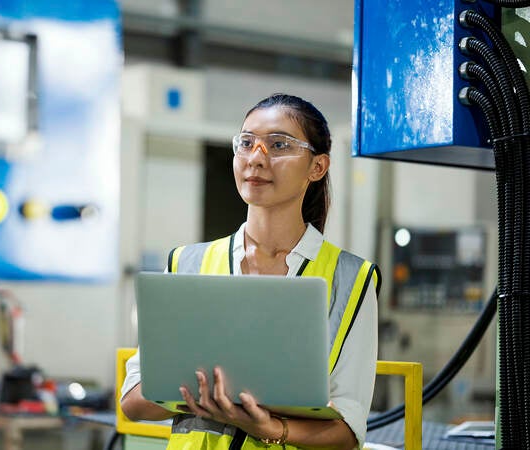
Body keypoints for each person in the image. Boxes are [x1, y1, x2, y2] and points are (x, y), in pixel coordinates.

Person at [120, 93, 380, 450]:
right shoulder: (186, 264)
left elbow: (349, 433)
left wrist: (270, 427)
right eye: (246, 143)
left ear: (317, 167)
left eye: (278, 144)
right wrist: (209, 396)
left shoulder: (352, 278)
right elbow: (133, 400)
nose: (256, 158)